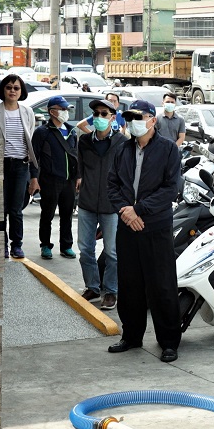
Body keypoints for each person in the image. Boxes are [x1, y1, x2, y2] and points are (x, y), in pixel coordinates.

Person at [105, 100, 183, 362]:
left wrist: (139, 209)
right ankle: (132, 336)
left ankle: (169, 341)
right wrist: (126, 211)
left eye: (138, 117)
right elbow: (112, 185)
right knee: (129, 285)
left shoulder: (168, 149)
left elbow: (171, 189)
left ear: (152, 119)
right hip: (128, 226)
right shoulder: (122, 150)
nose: (133, 123)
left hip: (156, 226)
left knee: (161, 285)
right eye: (130, 118)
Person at [0, 74, 39, 259]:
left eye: (16, 88)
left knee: (16, 209)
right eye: (9, 87)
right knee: (0, 208)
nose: (12, 91)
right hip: (0, 165)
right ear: (3, 90)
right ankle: (1, 245)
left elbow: (29, 141)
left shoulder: (27, 112)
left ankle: (17, 245)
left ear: (21, 91)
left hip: (21, 165)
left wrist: (33, 173)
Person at [76, 99, 124, 310]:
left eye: (104, 114)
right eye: (96, 114)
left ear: (113, 117)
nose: (99, 117)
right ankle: (93, 287)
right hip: (87, 203)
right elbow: (80, 170)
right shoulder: (85, 141)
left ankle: (111, 291)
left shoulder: (122, 142)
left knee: (112, 252)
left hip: (112, 206)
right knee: (86, 249)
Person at [30, 94, 78, 259]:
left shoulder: (71, 131)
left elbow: (76, 155)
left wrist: (77, 176)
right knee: (47, 214)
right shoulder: (42, 132)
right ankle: (45, 245)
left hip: (68, 181)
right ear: (52, 112)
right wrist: (34, 178)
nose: (66, 112)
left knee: (67, 215)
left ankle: (66, 246)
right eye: (62, 109)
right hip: (50, 180)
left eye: (66, 109)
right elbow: (34, 157)